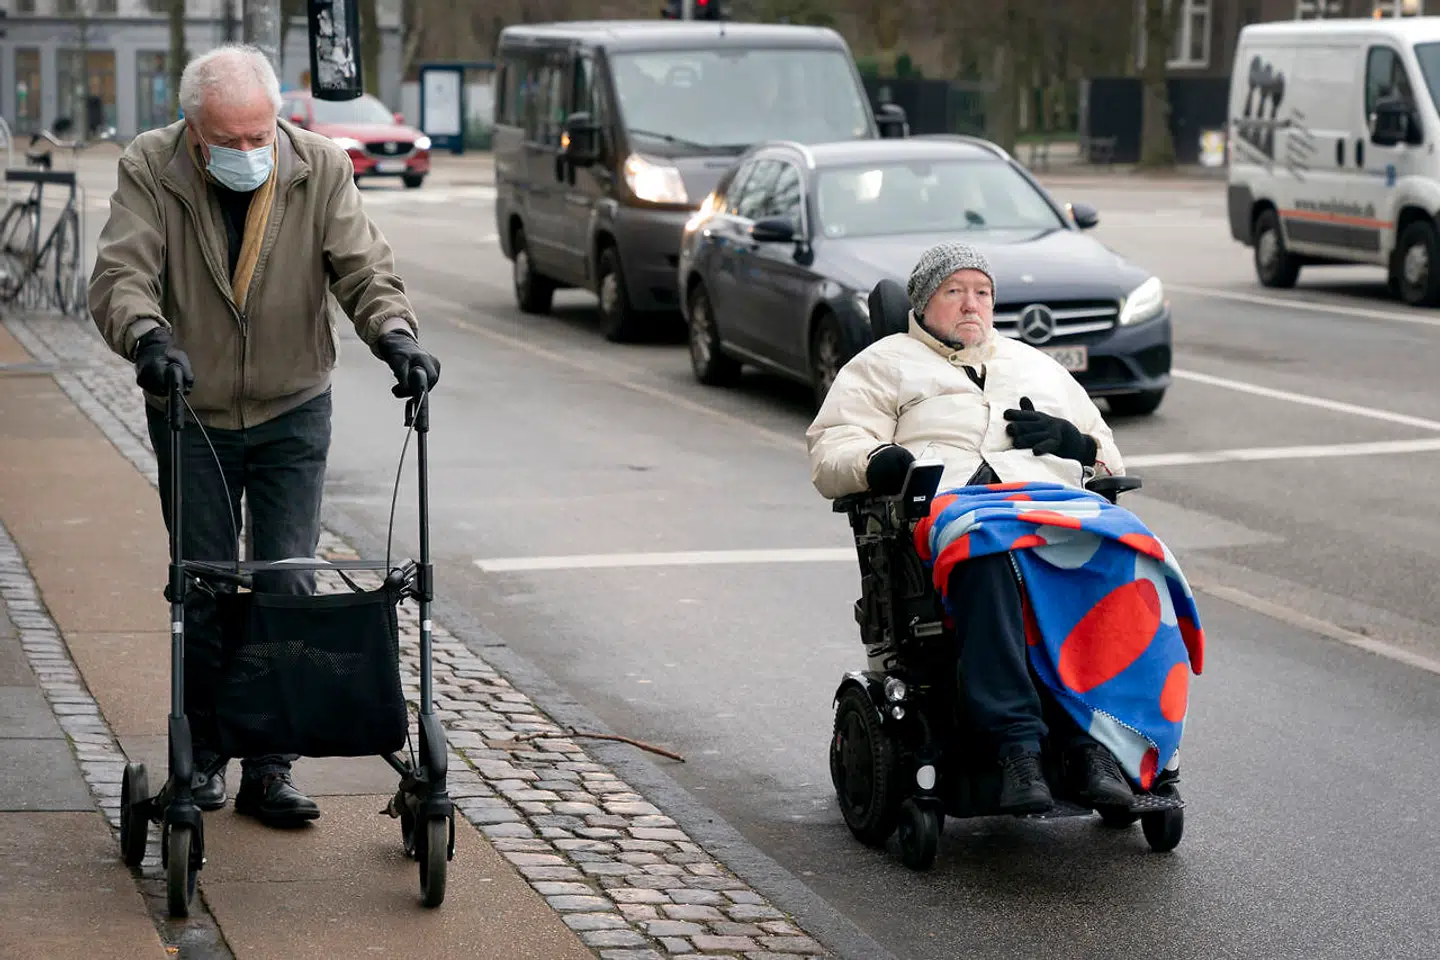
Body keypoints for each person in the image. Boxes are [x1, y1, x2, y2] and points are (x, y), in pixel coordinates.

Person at [88, 44, 440, 827]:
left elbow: (362, 267)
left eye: (261, 135)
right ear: (193, 127)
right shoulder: (152, 167)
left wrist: (396, 337)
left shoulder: (318, 165)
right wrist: (148, 339)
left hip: (291, 405)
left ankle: (271, 767)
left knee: (286, 583)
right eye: (231, 140)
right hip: (193, 407)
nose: (251, 152)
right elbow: (122, 273)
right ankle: (206, 754)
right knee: (206, 587)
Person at [806, 242, 1147, 816]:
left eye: (982, 292)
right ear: (923, 302)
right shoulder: (883, 364)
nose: (971, 304)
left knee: (1117, 557)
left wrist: (1077, 445)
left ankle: (1094, 747)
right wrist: (877, 461)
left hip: (1043, 511)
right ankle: (1017, 748)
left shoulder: (1034, 364)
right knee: (987, 557)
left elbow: (1109, 456)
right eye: (954, 291)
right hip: (948, 513)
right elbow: (831, 450)